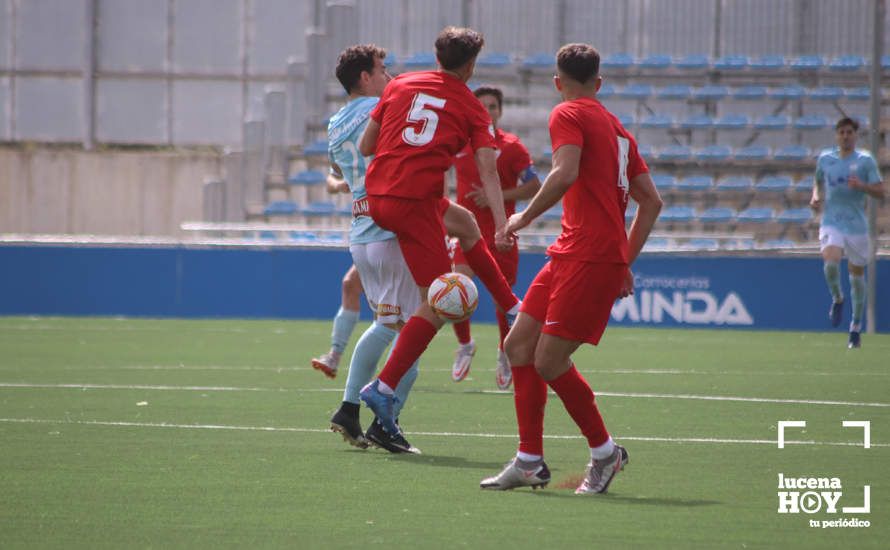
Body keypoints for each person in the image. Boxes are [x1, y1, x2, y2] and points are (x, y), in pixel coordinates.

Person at [479, 43, 662, 494]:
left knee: (548, 359)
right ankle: (529, 461)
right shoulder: (618, 130)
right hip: (572, 252)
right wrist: (624, 259)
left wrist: (522, 217)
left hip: (587, 256)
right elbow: (651, 202)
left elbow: (563, 173)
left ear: (557, 82)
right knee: (519, 344)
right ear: (598, 83)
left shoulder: (568, 114)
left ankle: (605, 453)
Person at [357, 27, 522, 438]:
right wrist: (503, 224)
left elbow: (365, 146)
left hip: (382, 195)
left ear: (437, 56)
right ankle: (384, 385)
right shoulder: (471, 107)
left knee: (465, 223)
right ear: (470, 65)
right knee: (442, 299)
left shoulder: (402, 84)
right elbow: (487, 171)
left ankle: (512, 307)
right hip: (412, 204)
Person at [325, 44, 423, 453]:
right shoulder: (378, 109)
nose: (388, 76)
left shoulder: (334, 123)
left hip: (362, 232)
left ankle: (367, 414)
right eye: (382, 69)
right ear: (364, 77)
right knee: (403, 327)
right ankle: (370, 416)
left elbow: (338, 175)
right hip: (388, 229)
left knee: (397, 328)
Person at [450, 86, 541, 388]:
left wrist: (496, 197)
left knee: (503, 303)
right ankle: (465, 344)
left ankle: (504, 352)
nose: (487, 111)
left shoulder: (513, 147)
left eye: (493, 106)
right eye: (482, 106)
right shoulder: (458, 143)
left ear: (500, 111)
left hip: (502, 232)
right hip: (466, 233)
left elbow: (534, 186)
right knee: (457, 288)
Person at [810, 117, 885, 349]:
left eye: (849, 132)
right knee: (830, 262)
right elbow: (818, 181)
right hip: (832, 220)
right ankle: (837, 298)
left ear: (855, 135)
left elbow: (881, 192)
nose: (845, 136)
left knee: (856, 276)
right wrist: (815, 195)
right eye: (841, 132)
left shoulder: (865, 161)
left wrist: (862, 186)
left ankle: (855, 327)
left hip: (856, 225)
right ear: (836, 135)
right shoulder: (826, 158)